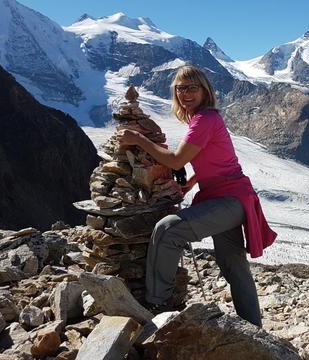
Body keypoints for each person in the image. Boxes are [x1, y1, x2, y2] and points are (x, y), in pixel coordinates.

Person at [116, 65, 276, 326]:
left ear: (205, 91)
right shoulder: (205, 119)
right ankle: (253, 329)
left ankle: (156, 304)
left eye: (192, 88)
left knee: (168, 230)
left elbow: (177, 159)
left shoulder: (205, 120)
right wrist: (191, 182)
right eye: (180, 88)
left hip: (228, 200)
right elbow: (217, 160)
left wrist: (138, 140)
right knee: (233, 267)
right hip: (232, 198)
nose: (185, 93)